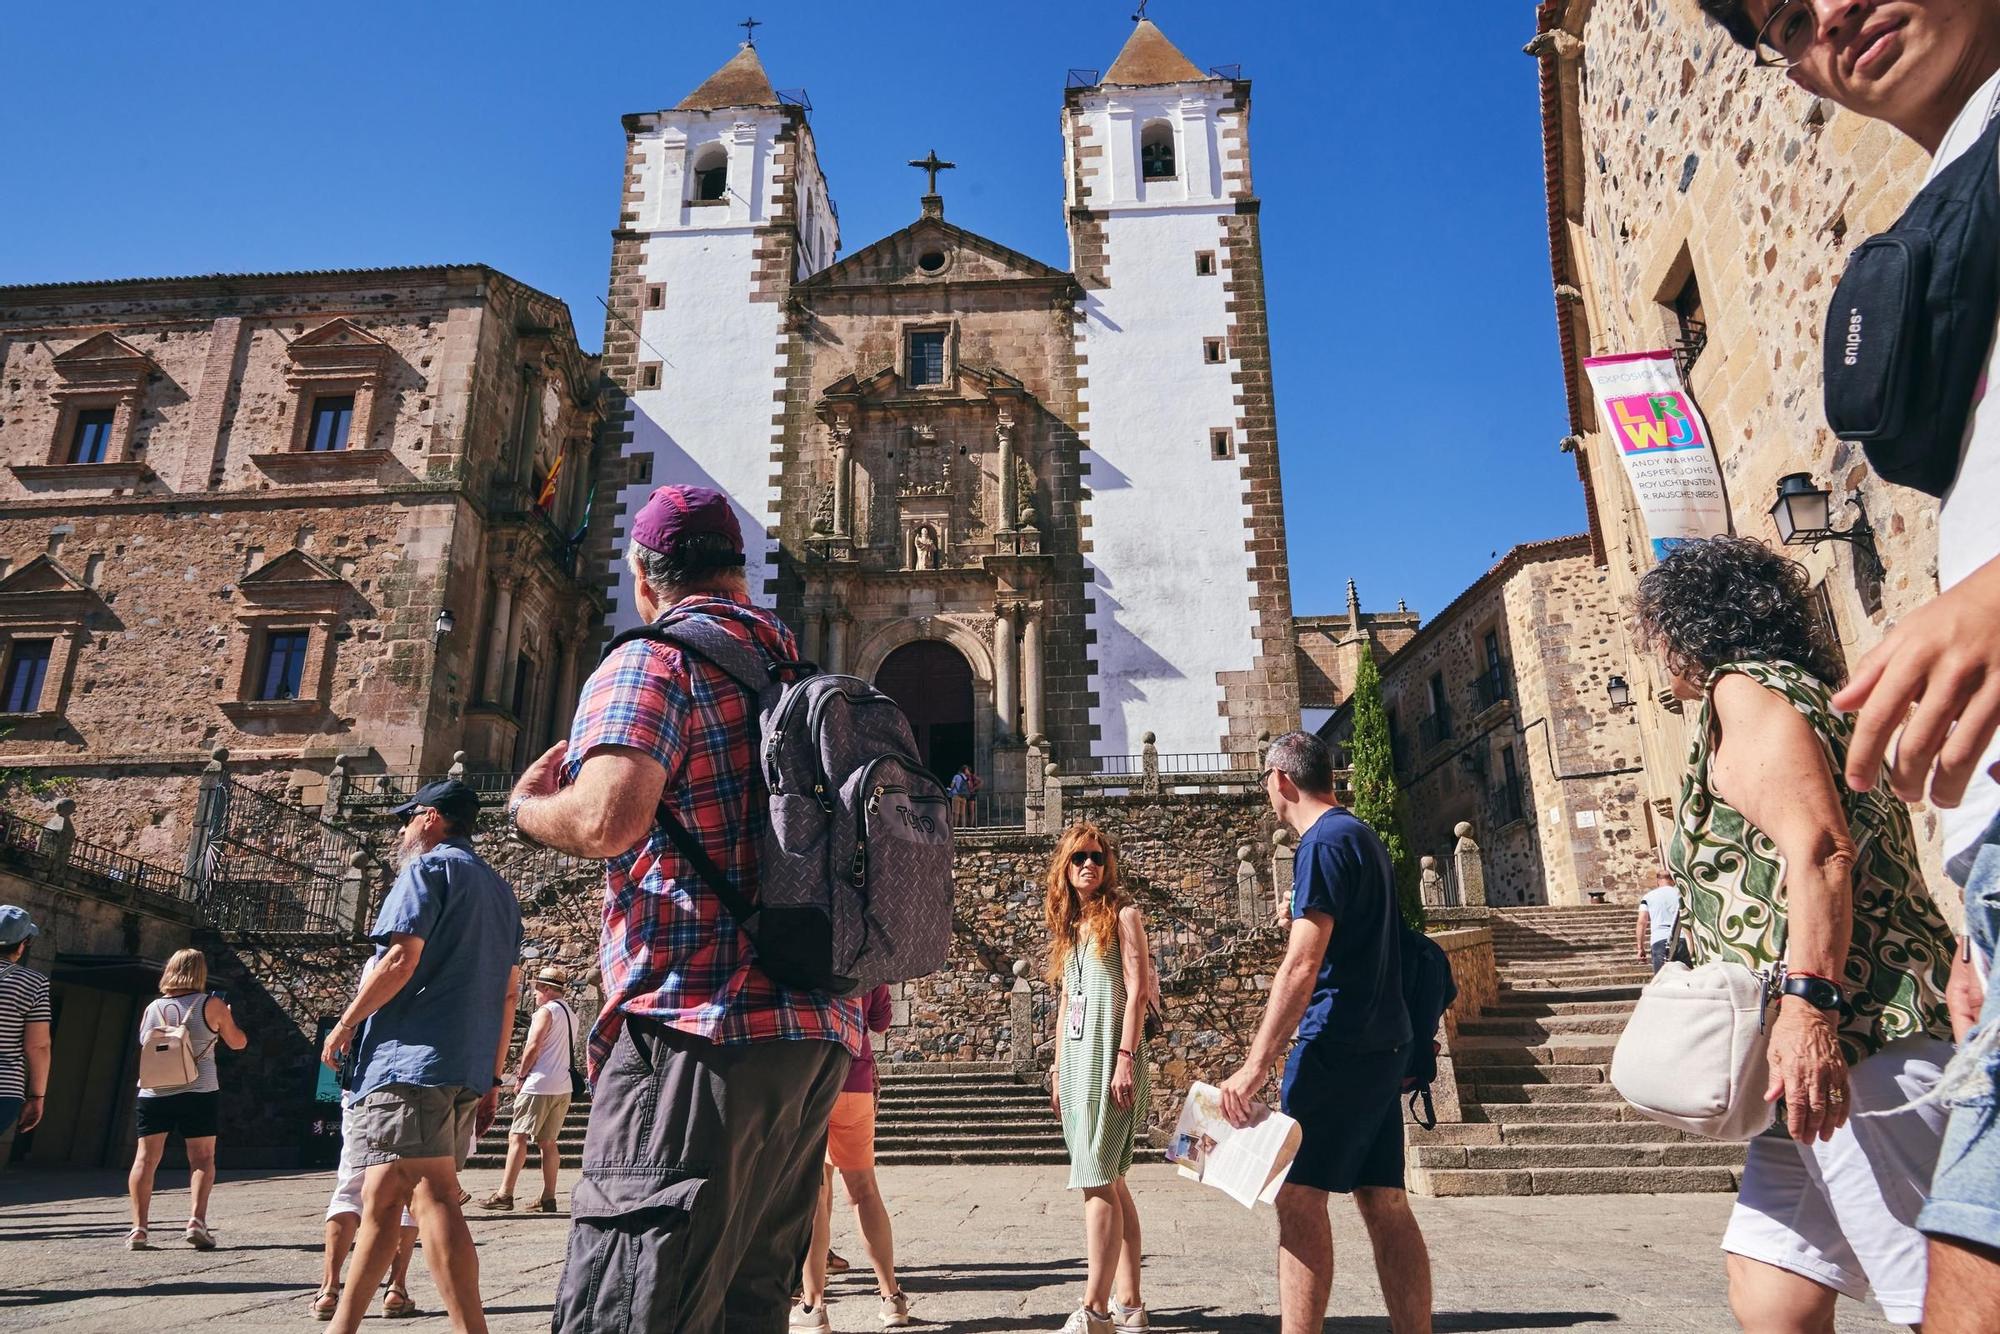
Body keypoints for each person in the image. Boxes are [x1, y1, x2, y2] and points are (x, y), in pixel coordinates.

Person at [1699, 6, 2000, 1327]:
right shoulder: (1956, 195)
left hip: (1860, 1022)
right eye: (1774, 19)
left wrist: (1812, 999)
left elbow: (1820, 846)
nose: (1822, 15)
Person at [508, 483, 864, 1334]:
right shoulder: (799, 673)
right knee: (747, 1303)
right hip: (813, 1034)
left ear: (643, 573)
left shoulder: (651, 659)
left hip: (695, 1026)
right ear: (740, 574)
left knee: (635, 1300)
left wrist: (525, 810)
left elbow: (606, 818)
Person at [1636, 537, 1960, 1332]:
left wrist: (1809, 1010)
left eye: (1657, 634)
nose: (1655, 656)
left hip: (1855, 1044)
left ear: (1689, 628)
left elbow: (1818, 850)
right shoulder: (1808, 692)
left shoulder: (1744, 692)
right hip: (1824, 1057)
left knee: (1941, 1298)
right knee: (1770, 1279)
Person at [1218, 731, 1432, 1334]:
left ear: (1283, 780)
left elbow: (1302, 965)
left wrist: (1257, 1063)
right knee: (1384, 1200)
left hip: (1337, 1042)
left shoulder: (1320, 843)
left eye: (1266, 780)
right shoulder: (1358, 835)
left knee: (1299, 1195)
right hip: (1385, 1040)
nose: (1266, 791)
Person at [319, 778, 522, 1334]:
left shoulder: (426, 870)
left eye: (407, 819)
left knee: (432, 1196)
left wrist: (343, 1024)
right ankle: (342, 1326)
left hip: (411, 1060)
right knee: (384, 1199)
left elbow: (398, 961)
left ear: (431, 818)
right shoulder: (499, 891)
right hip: (462, 1063)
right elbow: (510, 991)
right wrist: (493, 1074)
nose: (403, 831)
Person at [1044, 821, 1151, 1334]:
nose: (1090, 865)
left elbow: (1136, 991)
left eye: (1099, 858)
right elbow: (1068, 1001)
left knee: (1095, 1181)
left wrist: (1126, 1057)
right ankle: (1131, 1303)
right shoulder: (1070, 928)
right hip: (1079, 1065)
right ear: (1065, 867)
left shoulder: (1125, 916)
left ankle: (1095, 1309)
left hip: (1113, 1060)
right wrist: (1059, 1069)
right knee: (1111, 1180)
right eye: (1080, 857)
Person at [793, 983, 909, 1331]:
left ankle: (813, 1306)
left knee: (814, 1192)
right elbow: (882, 1020)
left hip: (810, 1078)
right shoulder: (865, 944)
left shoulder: (802, 938)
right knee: (864, 1190)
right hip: (855, 1077)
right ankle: (892, 1298)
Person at [127, 948, 247, 1251]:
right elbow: (238, 1043)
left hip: (155, 1090)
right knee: (202, 1158)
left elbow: (146, 1043)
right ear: (200, 972)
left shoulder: (153, 1007)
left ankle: (139, 1228)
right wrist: (225, 1018)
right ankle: (196, 1221)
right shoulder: (212, 1004)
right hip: (199, 1089)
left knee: (145, 1158)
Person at [480, 964, 577, 1213]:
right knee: (548, 1142)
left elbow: (533, 1046)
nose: (534, 994)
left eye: (536, 989)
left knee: (517, 1136)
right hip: (562, 1085)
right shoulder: (571, 1014)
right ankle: (548, 1196)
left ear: (546, 989)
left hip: (539, 1083)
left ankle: (505, 1193)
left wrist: (521, 1076)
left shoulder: (545, 1012)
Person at [0, 905, 50, 1140]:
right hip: (4, 1088)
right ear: (22, 945)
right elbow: (38, 1046)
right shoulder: (33, 983)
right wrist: (37, 1096)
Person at [1637, 872, 1681, 975]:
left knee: (1662, 979)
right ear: (1673, 879)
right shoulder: (1682, 894)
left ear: (1658, 880)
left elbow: (1642, 922)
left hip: (1660, 939)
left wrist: (1640, 948)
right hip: (1682, 937)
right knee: (1687, 979)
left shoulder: (1648, 897)